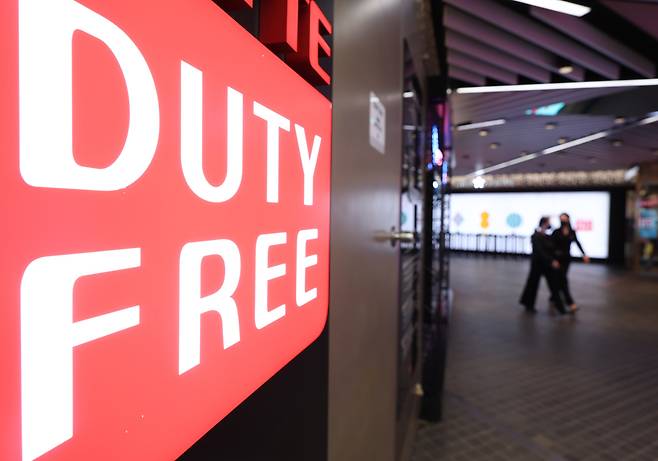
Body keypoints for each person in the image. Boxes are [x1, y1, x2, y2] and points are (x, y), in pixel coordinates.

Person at [520, 217, 569, 315]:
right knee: (532, 284)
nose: (550, 224)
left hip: (546, 265)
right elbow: (540, 252)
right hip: (538, 264)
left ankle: (562, 309)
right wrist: (551, 261)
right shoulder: (536, 236)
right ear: (544, 223)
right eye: (549, 222)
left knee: (553, 286)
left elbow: (553, 248)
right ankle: (528, 304)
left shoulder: (547, 236)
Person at [551, 213, 589, 311]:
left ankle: (554, 296)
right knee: (563, 280)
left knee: (561, 278)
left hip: (566, 259)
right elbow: (551, 246)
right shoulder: (556, 232)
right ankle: (570, 302)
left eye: (564, 219)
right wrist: (553, 259)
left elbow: (577, 242)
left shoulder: (572, 232)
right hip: (557, 259)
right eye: (561, 219)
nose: (563, 221)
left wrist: (584, 254)